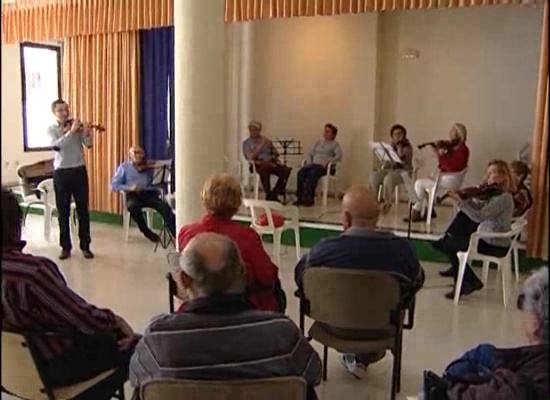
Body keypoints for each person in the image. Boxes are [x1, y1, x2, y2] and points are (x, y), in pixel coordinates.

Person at [130, 233, 322, 400]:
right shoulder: (283, 333)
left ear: (184, 280)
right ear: (243, 273)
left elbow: (136, 377)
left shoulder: (158, 340)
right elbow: (314, 373)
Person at [1, 187, 138, 395]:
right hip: (53, 368)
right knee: (139, 345)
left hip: (9, 373)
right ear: (15, 225)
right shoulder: (33, 273)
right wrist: (113, 319)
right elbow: (83, 318)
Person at [294, 185, 425, 378]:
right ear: (378, 216)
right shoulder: (403, 252)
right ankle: (363, 357)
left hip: (331, 327)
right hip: (381, 329)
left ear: (345, 219)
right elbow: (416, 282)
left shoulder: (322, 251)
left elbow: (300, 278)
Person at [421, 267, 548, 400]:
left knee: (474, 359)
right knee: (483, 352)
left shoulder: (516, 387)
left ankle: (444, 381)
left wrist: (444, 388)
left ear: (535, 322)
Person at [178, 174, 282, 312]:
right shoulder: (247, 236)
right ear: (236, 203)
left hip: (197, 307)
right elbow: (267, 276)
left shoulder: (186, 233)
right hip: (242, 309)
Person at [433, 160, 514, 299]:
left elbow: (479, 217)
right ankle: (467, 280)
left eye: (493, 173)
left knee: (451, 245)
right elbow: (477, 210)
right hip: (487, 237)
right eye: (488, 174)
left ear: (503, 176)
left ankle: (468, 280)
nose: (489, 177)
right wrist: (466, 199)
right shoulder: (494, 195)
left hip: (495, 243)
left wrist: (460, 202)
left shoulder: (504, 197)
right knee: (462, 220)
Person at [46, 99, 94, 260]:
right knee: (63, 211)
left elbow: (88, 145)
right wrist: (70, 133)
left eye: (66, 110)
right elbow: (57, 147)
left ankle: (86, 246)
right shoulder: (51, 130)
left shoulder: (76, 126)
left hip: (79, 171)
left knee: (83, 210)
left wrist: (86, 133)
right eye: (60, 110)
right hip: (61, 173)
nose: (65, 113)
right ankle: (65, 247)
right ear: (55, 113)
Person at [407, 123, 470, 222]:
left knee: (419, 183)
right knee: (424, 184)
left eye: (453, 134)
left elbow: (451, 167)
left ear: (459, 135)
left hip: (450, 180)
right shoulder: (453, 148)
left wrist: (440, 155)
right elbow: (442, 166)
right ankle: (430, 210)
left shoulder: (463, 150)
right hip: (445, 178)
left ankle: (416, 211)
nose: (450, 136)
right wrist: (440, 154)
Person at [111, 146, 176, 242]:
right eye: (135, 153)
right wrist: (130, 188)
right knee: (133, 207)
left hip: (148, 194)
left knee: (164, 207)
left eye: (140, 153)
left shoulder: (148, 166)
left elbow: (157, 181)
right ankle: (146, 231)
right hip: (133, 195)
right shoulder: (124, 167)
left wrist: (154, 169)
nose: (138, 155)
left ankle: (177, 234)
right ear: (130, 155)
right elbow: (114, 185)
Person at [294, 123, 343, 207]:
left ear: (333, 134)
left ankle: (309, 198)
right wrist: (309, 162)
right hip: (314, 164)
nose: (325, 133)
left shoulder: (335, 144)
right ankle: (300, 197)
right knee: (301, 173)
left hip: (324, 167)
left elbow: (339, 156)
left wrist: (328, 161)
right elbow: (311, 153)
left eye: (328, 132)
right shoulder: (319, 142)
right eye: (325, 131)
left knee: (312, 174)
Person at [242, 120, 291, 202]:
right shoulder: (246, 143)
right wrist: (261, 146)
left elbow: (276, 153)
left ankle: (274, 194)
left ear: (259, 130)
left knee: (286, 170)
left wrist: (273, 156)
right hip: (258, 164)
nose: (253, 131)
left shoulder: (267, 141)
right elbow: (250, 157)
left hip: (270, 162)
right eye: (251, 129)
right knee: (264, 170)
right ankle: (269, 194)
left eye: (255, 129)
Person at [370, 124, 413, 212]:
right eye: (395, 134)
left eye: (399, 134)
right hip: (390, 170)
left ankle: (387, 203)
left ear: (404, 135)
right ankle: (373, 201)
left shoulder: (407, 147)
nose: (397, 136)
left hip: (403, 171)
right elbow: (387, 163)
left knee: (388, 179)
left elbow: (402, 160)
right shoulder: (390, 147)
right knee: (374, 176)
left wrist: (399, 146)